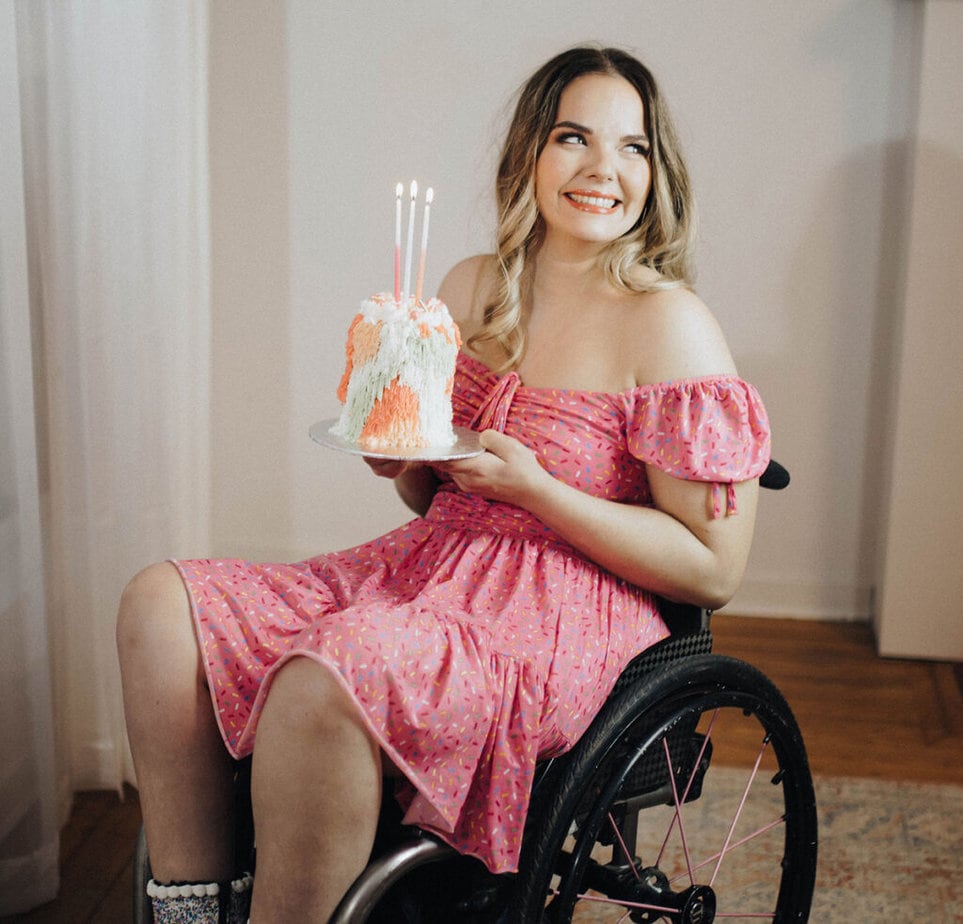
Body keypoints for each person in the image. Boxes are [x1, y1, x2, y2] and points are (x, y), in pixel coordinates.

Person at [116, 45, 771, 924]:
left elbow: (710, 567)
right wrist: (404, 461)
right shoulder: (475, 288)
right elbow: (436, 502)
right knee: (161, 606)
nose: (602, 170)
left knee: (331, 674)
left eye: (633, 147)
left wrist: (539, 490)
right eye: (573, 137)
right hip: (431, 567)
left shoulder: (670, 325)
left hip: (565, 611)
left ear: (658, 172)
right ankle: (194, 903)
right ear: (530, 154)